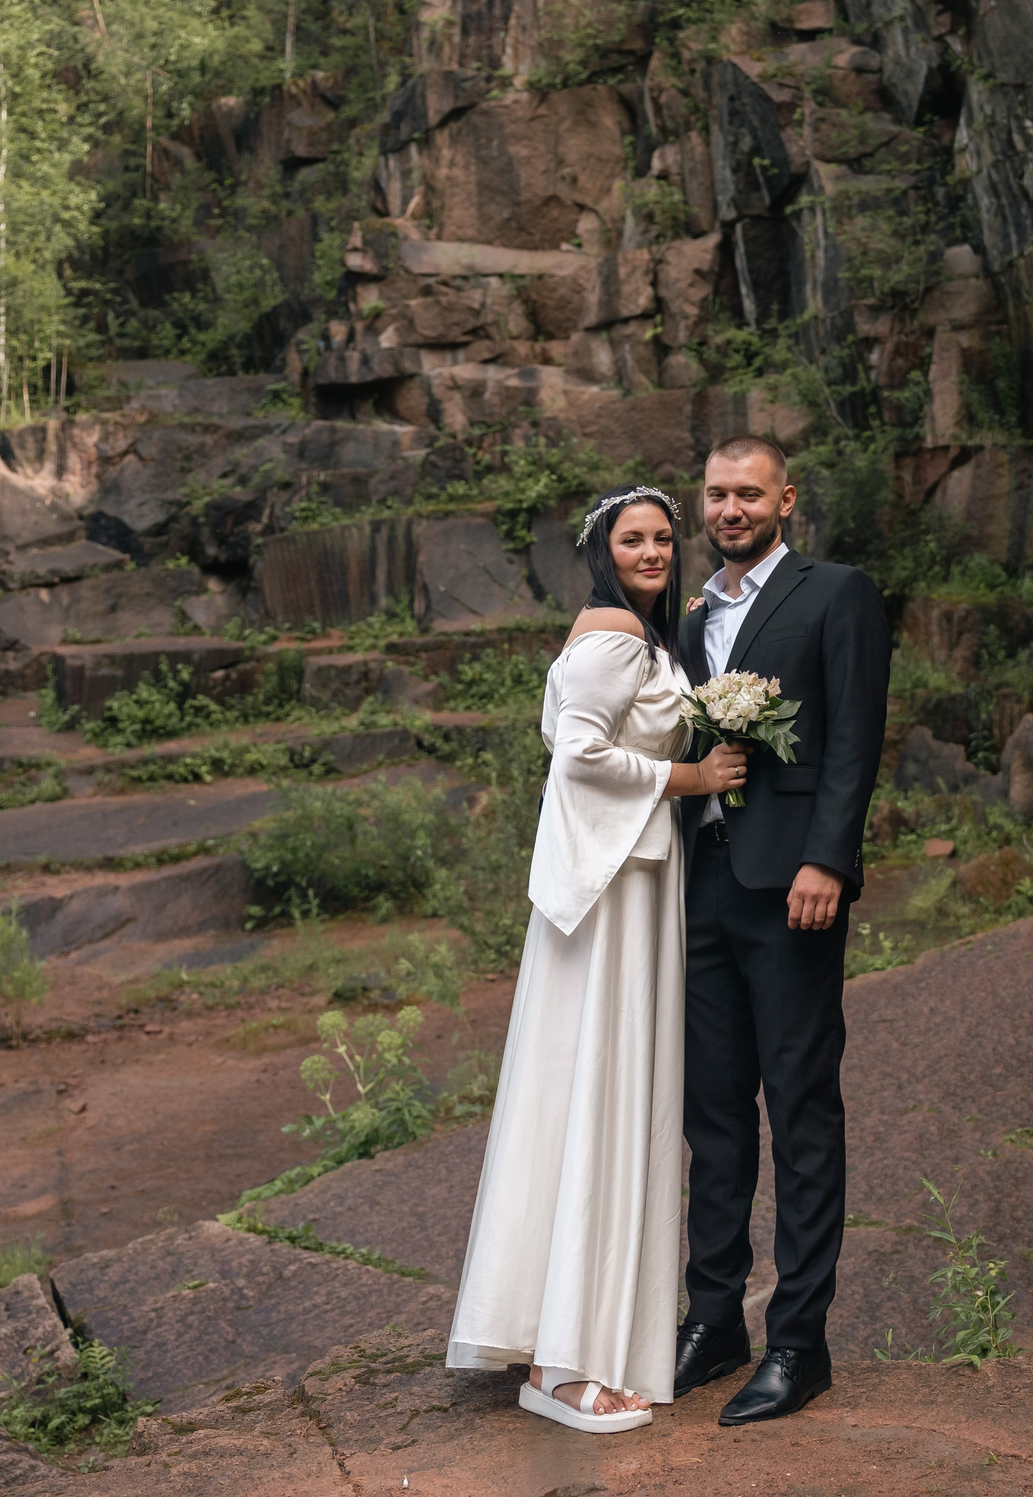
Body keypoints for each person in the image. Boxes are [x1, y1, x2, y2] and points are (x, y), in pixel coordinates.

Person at [445, 486, 749, 1435]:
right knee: (595, 1094)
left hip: (635, 882)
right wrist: (687, 774)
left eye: (664, 537)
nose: (653, 550)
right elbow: (577, 752)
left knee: (595, 1092)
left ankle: (565, 1329)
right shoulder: (612, 635)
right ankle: (563, 1363)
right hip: (615, 889)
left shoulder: (643, 633)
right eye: (634, 538)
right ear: (601, 550)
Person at [671, 434, 892, 1426]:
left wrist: (827, 859)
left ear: (785, 500)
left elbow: (853, 731)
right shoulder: (688, 620)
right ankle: (713, 1321)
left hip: (791, 887)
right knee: (711, 1115)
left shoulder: (835, 592)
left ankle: (798, 1342)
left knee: (800, 1108)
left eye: (748, 493)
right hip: (702, 884)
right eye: (717, 494)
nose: (731, 508)